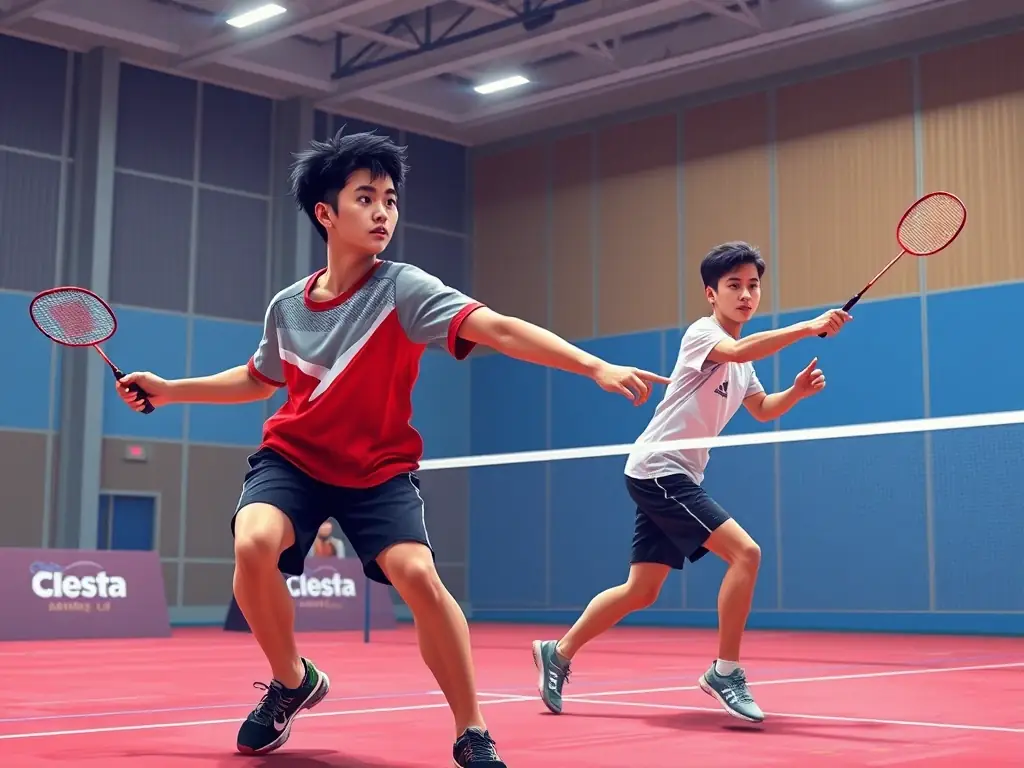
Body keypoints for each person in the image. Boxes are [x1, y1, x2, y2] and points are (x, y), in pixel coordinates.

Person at [113, 128, 670, 767]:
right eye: (366, 198)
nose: (383, 212)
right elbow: (257, 379)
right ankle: (292, 681)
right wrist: (170, 388)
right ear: (326, 213)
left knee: (418, 576)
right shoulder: (287, 306)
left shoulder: (404, 289)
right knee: (252, 542)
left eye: (391, 199)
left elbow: (500, 329)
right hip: (294, 460)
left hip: (379, 470)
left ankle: (472, 731)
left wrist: (593, 366)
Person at [531, 242, 852, 724]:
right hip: (661, 469)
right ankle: (726, 671)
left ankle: (557, 652)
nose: (746, 294)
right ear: (711, 294)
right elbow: (740, 347)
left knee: (641, 590)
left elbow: (763, 410)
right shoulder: (704, 335)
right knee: (747, 553)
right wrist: (808, 327)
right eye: (734, 286)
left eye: (753, 285)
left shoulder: (743, 367)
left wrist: (797, 393)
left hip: (669, 472)